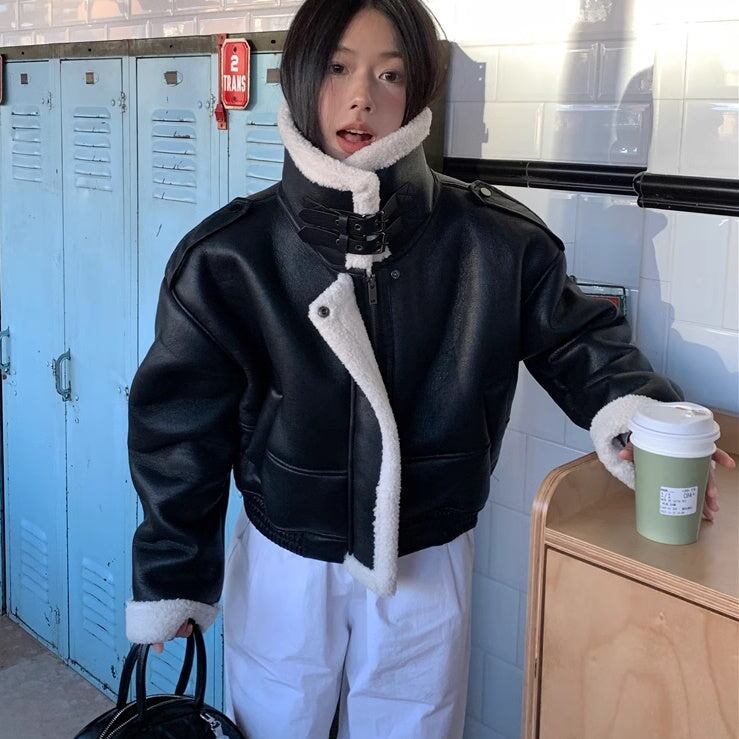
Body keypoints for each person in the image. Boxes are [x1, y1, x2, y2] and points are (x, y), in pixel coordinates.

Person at [123, 1, 733, 737]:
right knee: (274, 723)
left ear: (418, 90)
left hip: (428, 552)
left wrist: (647, 424)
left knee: (414, 726)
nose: (361, 98)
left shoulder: (493, 240)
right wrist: (174, 574)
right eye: (339, 68)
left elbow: (579, 339)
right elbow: (179, 425)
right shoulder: (230, 256)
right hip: (286, 556)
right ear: (301, 76)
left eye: (390, 74)